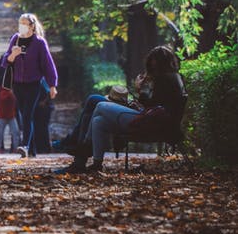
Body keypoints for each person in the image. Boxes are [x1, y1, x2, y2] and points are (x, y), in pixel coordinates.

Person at [57, 46, 186, 174]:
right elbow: (154, 106)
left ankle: (81, 149)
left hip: (149, 123)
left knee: (98, 104)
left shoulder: (166, 79)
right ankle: (95, 164)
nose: (152, 69)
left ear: (161, 63)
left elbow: (152, 106)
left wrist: (139, 89)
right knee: (98, 120)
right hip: (150, 120)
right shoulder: (173, 77)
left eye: (154, 65)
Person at [1, 13, 58, 158]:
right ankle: (31, 149)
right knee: (24, 115)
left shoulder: (39, 42)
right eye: (20, 23)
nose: (21, 26)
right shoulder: (15, 38)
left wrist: (52, 85)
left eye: (24, 23)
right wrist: (13, 55)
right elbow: (5, 62)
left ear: (32, 26)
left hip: (34, 84)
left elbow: (48, 64)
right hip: (18, 84)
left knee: (27, 115)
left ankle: (25, 145)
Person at [52, 86, 130, 156]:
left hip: (127, 115)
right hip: (128, 114)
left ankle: (73, 141)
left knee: (93, 99)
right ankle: (76, 145)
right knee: (89, 114)